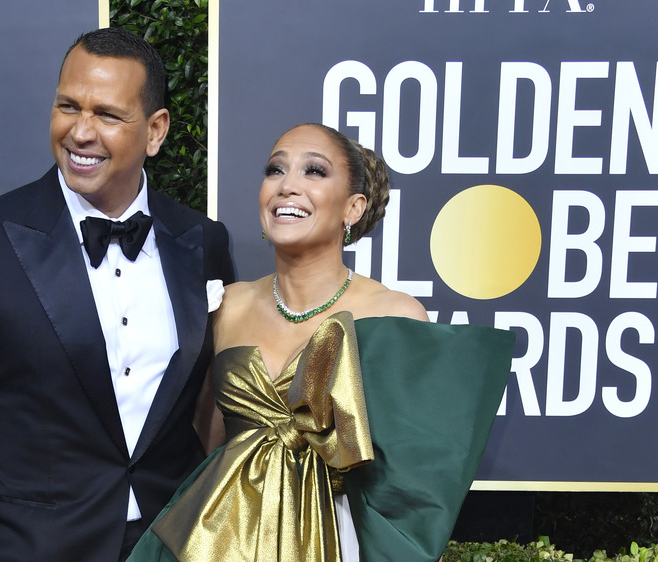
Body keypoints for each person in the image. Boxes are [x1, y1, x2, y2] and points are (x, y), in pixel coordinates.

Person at [0, 27, 236, 562]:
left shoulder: (202, 243)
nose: (80, 131)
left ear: (155, 131)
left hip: (170, 546)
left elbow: (210, 413)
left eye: (107, 114)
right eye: (67, 106)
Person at [127, 123, 515, 561]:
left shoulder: (394, 316)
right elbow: (205, 444)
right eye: (276, 170)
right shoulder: (227, 306)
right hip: (220, 542)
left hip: (337, 544)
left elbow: (408, 491)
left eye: (313, 171)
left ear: (353, 207)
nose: (287, 185)